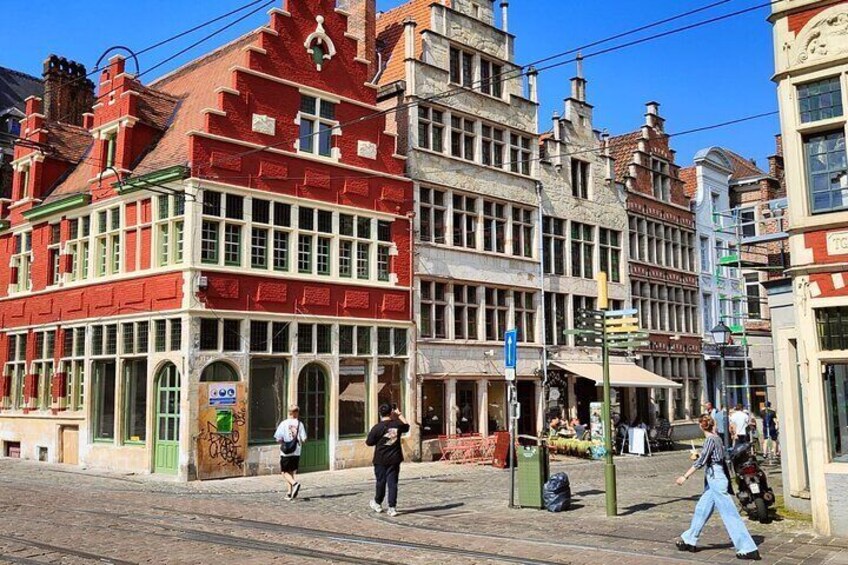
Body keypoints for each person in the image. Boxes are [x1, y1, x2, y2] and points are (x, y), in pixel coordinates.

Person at [675, 414, 760, 561]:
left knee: (729, 513)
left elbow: (701, 462)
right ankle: (689, 539)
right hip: (715, 477)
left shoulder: (710, 440)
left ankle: (748, 547)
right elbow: (712, 456)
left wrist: (685, 476)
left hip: (716, 477)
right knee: (702, 509)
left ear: (701, 426)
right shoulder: (717, 438)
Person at [366, 403, 410, 517]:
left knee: (381, 482)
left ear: (380, 413)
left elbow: (369, 442)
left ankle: (377, 502)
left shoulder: (377, 427)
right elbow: (407, 426)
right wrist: (399, 415)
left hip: (380, 459)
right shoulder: (397, 425)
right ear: (391, 412)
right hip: (394, 458)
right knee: (392, 483)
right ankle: (392, 507)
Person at [274, 405, 307, 501]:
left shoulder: (283, 423)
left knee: (284, 472)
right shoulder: (300, 424)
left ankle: (295, 484)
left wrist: (284, 443)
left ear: (289, 413)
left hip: (285, 451)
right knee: (291, 471)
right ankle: (289, 493)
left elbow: (278, 439)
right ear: (297, 413)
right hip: (296, 451)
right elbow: (304, 439)